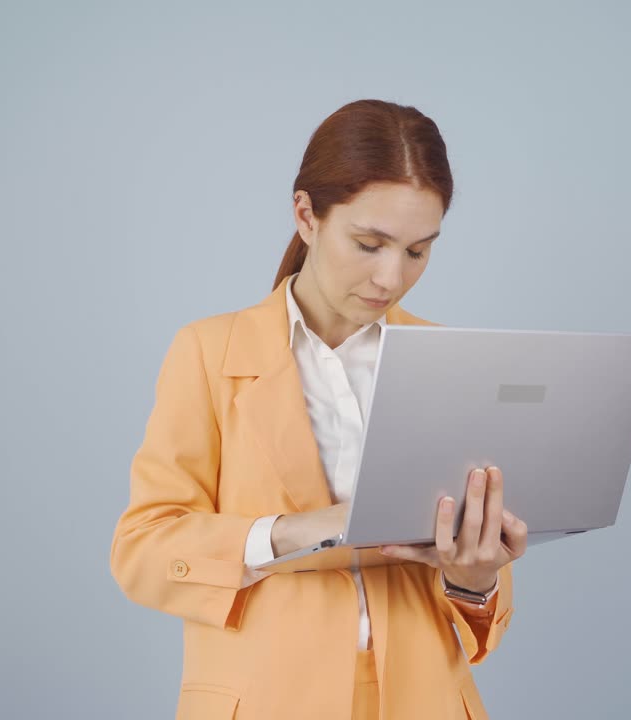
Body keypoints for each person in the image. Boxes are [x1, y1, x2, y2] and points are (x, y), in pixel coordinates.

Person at [110, 99, 527, 720]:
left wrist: (476, 576)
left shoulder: (448, 362)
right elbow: (143, 551)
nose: (390, 278)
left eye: (417, 251)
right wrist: (302, 529)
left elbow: (480, 615)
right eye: (368, 244)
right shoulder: (207, 352)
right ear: (306, 215)